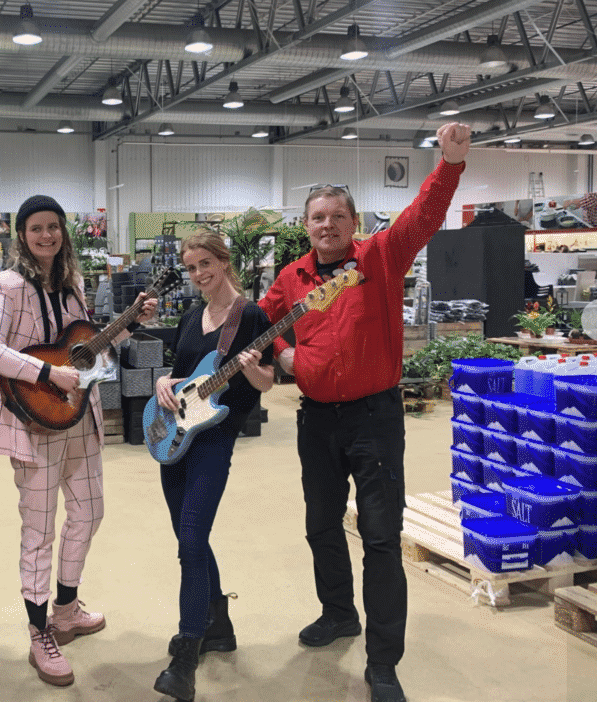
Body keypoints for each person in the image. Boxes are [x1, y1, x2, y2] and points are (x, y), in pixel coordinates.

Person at [257, 121, 471, 702]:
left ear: (353, 222)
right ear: (306, 226)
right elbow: (259, 323)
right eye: (317, 218)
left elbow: (421, 217)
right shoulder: (292, 277)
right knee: (321, 525)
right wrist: (283, 354)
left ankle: (382, 662)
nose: (327, 225)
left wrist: (449, 165)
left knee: (380, 537)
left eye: (337, 216)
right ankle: (338, 614)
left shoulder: (381, 256)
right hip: (316, 420)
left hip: (374, 419)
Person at [0, 194, 157, 687]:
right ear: (22, 235)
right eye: (36, 227)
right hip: (34, 421)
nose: (46, 235)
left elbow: (84, 350)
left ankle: (67, 608)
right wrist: (46, 373)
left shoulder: (74, 285)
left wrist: (129, 325)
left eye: (53, 226)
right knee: (39, 530)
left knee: (89, 513)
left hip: (79, 417)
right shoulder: (8, 286)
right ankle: (39, 633)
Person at [151, 231, 275, 702]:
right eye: (192, 267)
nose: (199, 274)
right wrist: (164, 381)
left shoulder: (251, 316)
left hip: (214, 440)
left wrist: (250, 367)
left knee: (190, 540)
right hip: (176, 438)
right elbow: (183, 374)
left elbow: (267, 382)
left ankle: (186, 655)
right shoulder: (190, 315)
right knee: (192, 539)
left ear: (224, 262)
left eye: (206, 263)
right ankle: (218, 625)